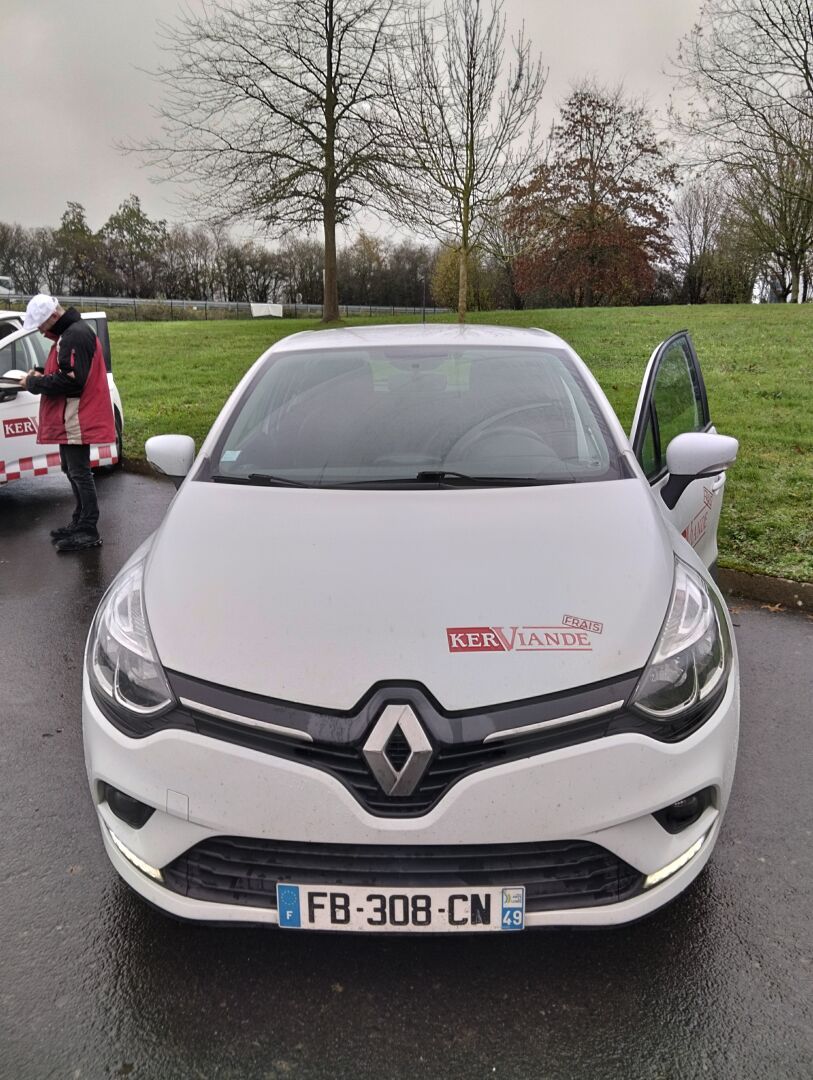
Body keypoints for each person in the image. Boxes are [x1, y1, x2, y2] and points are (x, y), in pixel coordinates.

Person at [19, 294, 116, 552]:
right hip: (72, 416)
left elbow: (72, 380)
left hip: (77, 416)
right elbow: (68, 371)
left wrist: (34, 383)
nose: (41, 332)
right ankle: (80, 520)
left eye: (41, 325)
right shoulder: (69, 334)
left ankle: (88, 529)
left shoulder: (74, 335)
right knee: (71, 469)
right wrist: (41, 374)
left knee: (79, 472)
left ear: (53, 316)